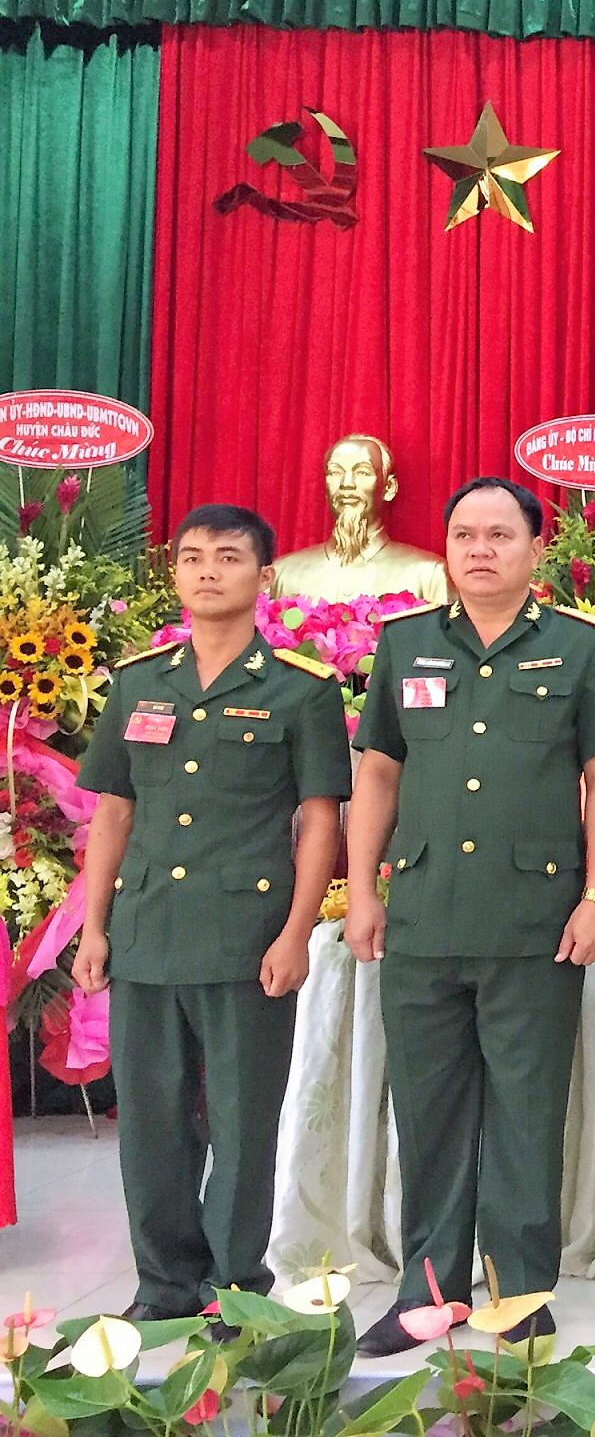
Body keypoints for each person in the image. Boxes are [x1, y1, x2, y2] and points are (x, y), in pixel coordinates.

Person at [346, 476, 595, 1356]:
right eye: (464, 534)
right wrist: (361, 891)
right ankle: (427, 1292)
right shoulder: (405, 644)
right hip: (424, 917)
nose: (480, 549)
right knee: (428, 1114)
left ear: (536, 549)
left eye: (500, 535)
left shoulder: (582, 648)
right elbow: (378, 774)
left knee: (526, 1114)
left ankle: (519, 1292)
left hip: (534, 920)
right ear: (446, 548)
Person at [75, 504, 350, 1324]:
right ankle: (163, 1287)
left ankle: (234, 1290)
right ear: (175, 573)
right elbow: (113, 814)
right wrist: (95, 928)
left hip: (246, 941)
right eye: (192, 557)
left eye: (228, 557)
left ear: (265, 576)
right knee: (151, 1125)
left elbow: (319, 822)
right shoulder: (138, 683)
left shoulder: (300, 689)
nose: (207, 571)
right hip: (148, 934)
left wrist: (297, 932)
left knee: (241, 1124)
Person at [271, 433, 448, 603]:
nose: (346, 484)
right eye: (335, 472)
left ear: (389, 488)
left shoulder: (429, 576)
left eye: (362, 472)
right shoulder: (282, 575)